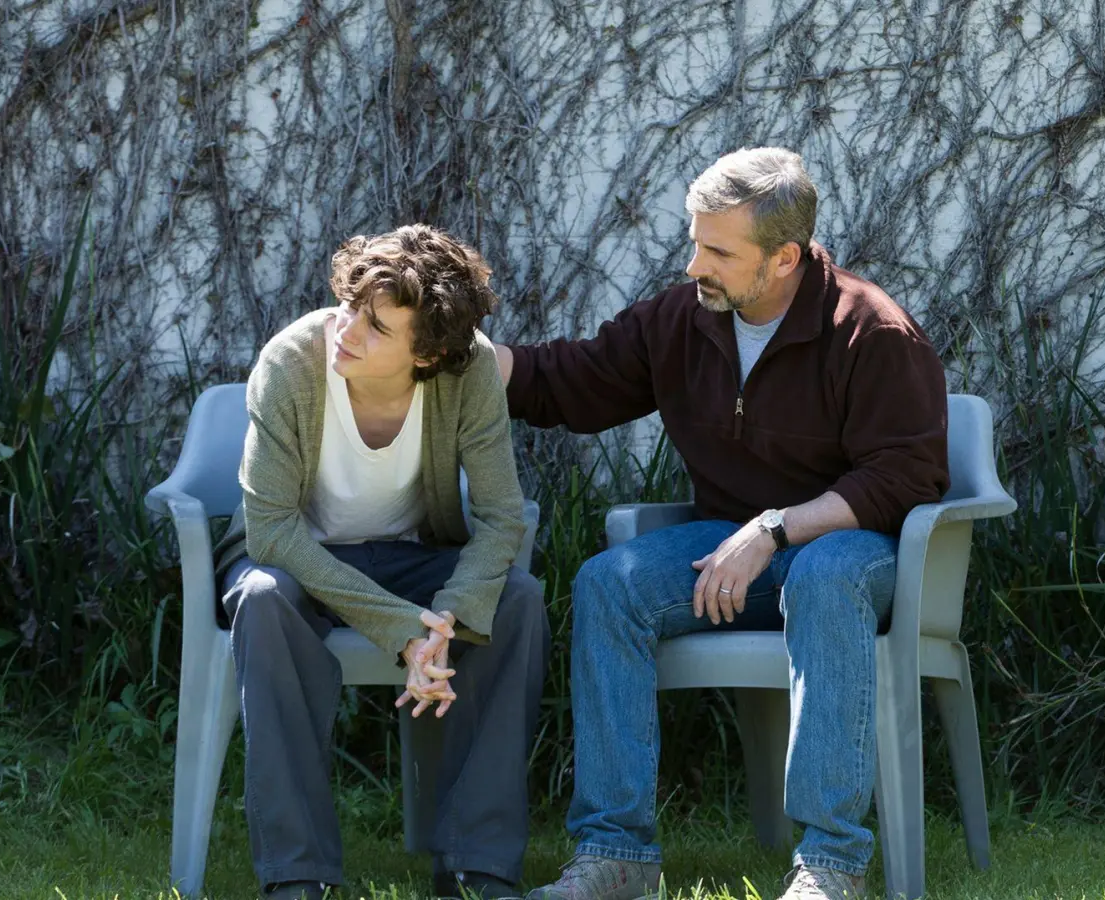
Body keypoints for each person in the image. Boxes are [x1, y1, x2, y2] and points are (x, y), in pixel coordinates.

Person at [494, 148, 950, 900]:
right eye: (695, 239)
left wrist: (774, 528)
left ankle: (831, 865)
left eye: (716, 250)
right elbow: (573, 381)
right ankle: (616, 856)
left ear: (783, 260)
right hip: (736, 548)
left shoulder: (871, 331)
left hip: (860, 553)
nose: (693, 263)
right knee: (608, 584)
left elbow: (904, 477)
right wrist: (472, 358)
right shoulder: (684, 319)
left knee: (828, 573)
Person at [213, 224, 549, 900]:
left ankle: (475, 864)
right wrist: (404, 629)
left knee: (515, 600)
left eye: (374, 326)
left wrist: (447, 618)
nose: (347, 329)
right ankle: (297, 874)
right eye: (348, 306)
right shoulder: (291, 362)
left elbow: (501, 518)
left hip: (410, 557)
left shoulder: (471, 369)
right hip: (295, 563)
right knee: (262, 601)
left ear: (427, 355)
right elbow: (272, 532)